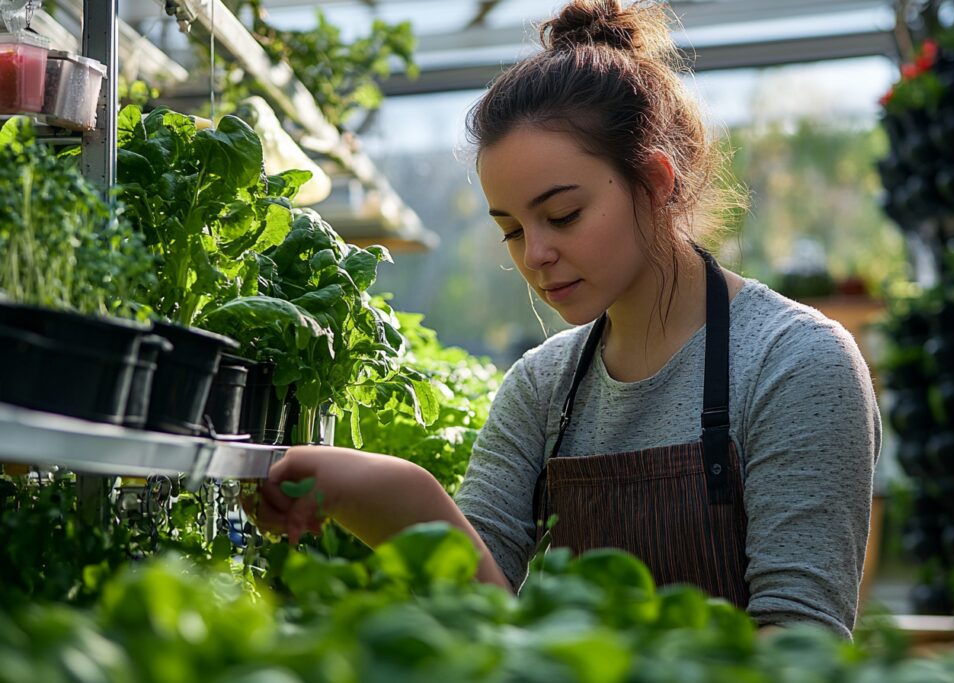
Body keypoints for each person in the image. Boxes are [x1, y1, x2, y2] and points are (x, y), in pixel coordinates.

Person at [251, 0, 881, 639]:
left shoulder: (795, 361)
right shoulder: (541, 386)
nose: (536, 254)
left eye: (563, 214)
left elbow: (802, 641)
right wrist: (389, 495)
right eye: (512, 231)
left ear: (656, 182)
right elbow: (478, 616)